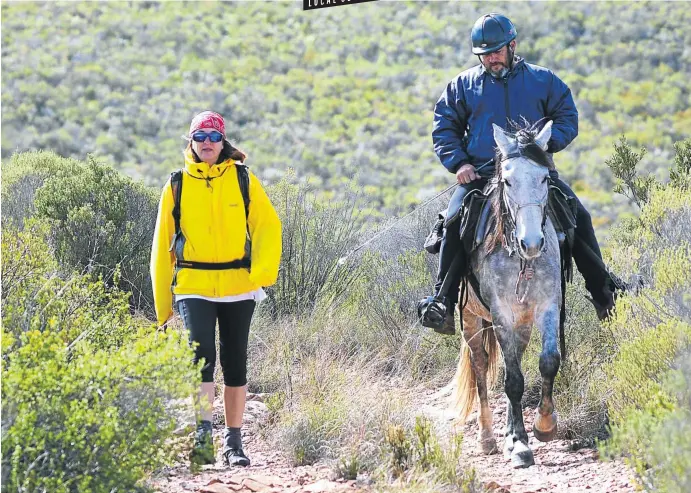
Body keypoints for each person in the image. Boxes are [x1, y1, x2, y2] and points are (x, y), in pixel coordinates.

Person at [418, 13, 619, 335]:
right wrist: (459, 164)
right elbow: (445, 127)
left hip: (534, 174)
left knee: (578, 215)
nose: (490, 58)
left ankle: (605, 294)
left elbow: (567, 116)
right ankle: (441, 301)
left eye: (496, 51)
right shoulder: (462, 85)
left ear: (513, 46)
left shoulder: (544, 80)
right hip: (482, 177)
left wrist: (543, 147)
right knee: (454, 220)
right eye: (484, 54)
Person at [150, 111, 282, 467]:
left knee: (235, 360)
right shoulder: (176, 183)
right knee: (201, 357)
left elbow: (268, 226)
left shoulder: (243, 179)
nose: (206, 142)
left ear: (223, 142)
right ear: (190, 142)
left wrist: (263, 272)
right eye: (199, 136)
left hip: (239, 284)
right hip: (193, 284)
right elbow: (161, 245)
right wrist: (163, 305)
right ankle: (203, 438)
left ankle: (234, 443)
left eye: (213, 136)